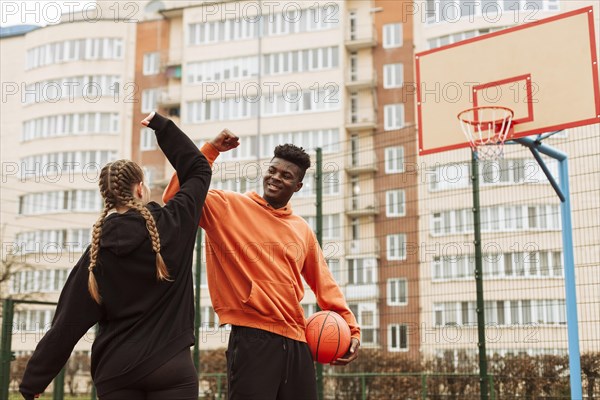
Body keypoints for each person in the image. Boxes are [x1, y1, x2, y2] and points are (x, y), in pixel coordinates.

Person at [19, 112, 235, 400]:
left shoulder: (96, 254)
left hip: (116, 370)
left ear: (105, 195)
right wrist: (163, 126)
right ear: (140, 188)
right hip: (170, 367)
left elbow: (66, 325)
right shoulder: (175, 222)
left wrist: (33, 382)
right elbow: (197, 170)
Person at [162, 139, 361, 399]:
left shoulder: (301, 230)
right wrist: (212, 150)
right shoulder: (227, 207)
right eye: (273, 170)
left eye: (286, 176)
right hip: (252, 340)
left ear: (298, 186)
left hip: (298, 341)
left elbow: (325, 284)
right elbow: (175, 196)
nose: (276, 178)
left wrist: (351, 328)